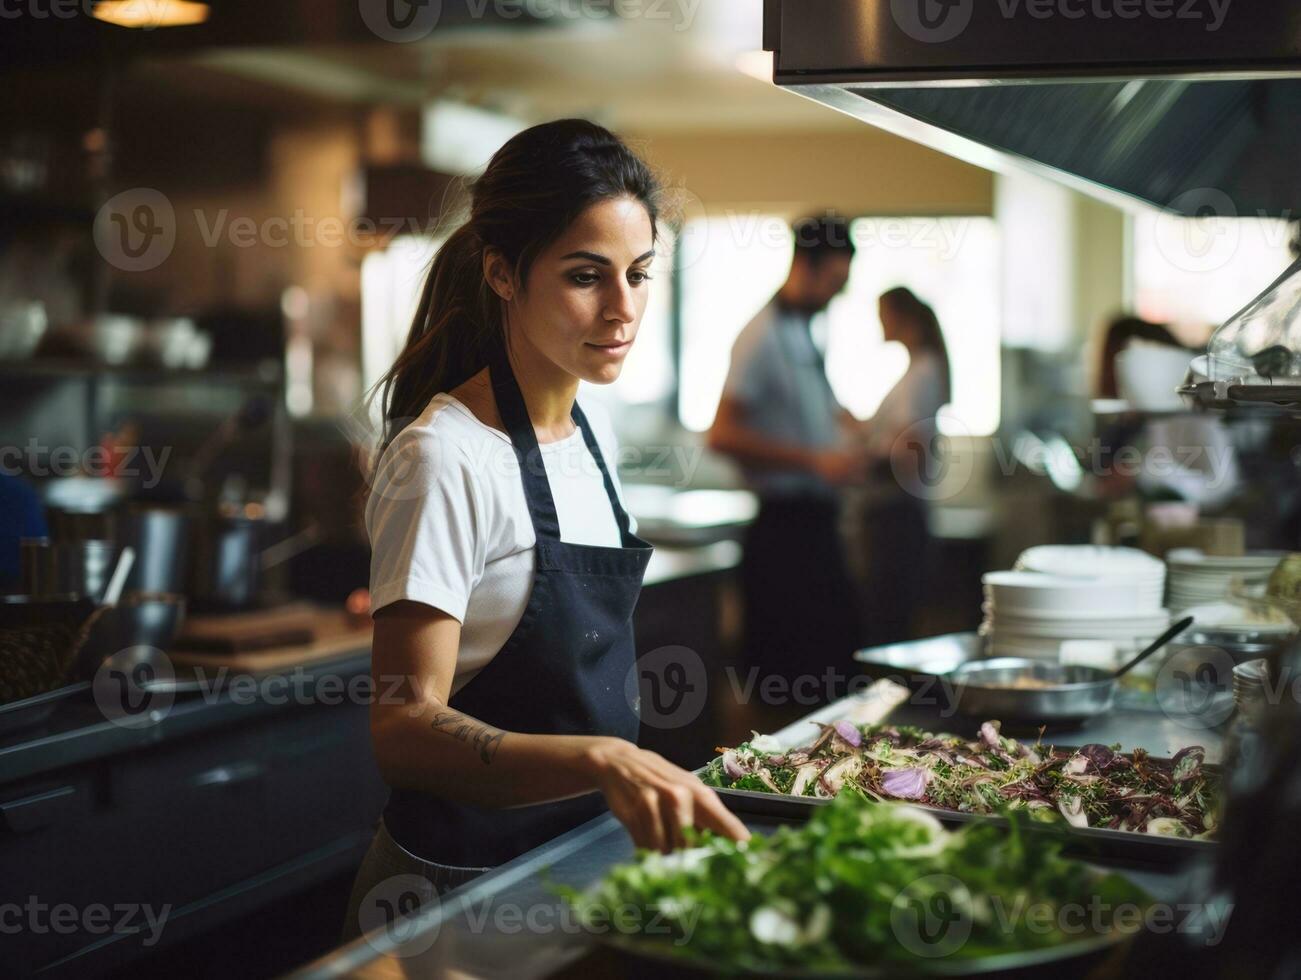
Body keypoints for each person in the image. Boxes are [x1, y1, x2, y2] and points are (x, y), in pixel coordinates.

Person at [343, 119, 749, 938]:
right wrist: (599, 761)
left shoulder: (583, 437)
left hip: (568, 868)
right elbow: (402, 727)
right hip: (453, 889)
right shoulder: (445, 456)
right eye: (584, 276)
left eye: (638, 274)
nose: (622, 308)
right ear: (502, 272)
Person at [708, 216, 865, 689]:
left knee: (834, 666)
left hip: (817, 522)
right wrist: (814, 461)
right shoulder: (760, 336)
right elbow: (721, 435)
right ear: (806, 266)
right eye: (835, 281)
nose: (838, 294)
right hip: (783, 531)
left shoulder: (804, 331)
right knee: (788, 677)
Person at [851, 286, 952, 647]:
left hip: (895, 516)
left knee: (887, 622)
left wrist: (859, 458)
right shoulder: (919, 370)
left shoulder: (922, 373)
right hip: (897, 513)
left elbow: (908, 453)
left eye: (883, 313)